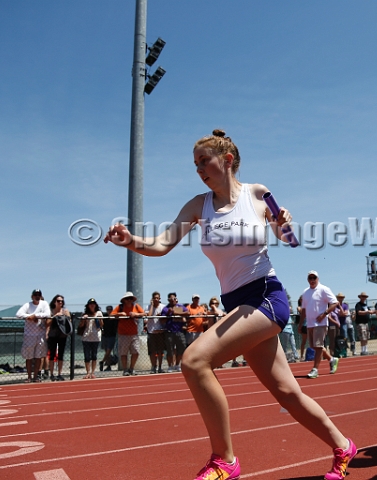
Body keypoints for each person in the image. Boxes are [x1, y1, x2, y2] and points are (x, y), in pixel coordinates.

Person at [104, 129, 355, 480]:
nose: (199, 169)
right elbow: (161, 244)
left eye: (204, 161)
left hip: (267, 297)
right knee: (287, 392)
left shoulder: (257, 193)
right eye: (195, 164)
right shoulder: (198, 205)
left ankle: (224, 460)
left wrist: (285, 222)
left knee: (194, 361)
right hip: (237, 304)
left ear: (227, 160)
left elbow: (289, 238)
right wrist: (131, 240)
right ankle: (344, 446)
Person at [302, 271, 341, 378]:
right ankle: (332, 359)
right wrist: (301, 324)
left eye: (314, 278)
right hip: (310, 324)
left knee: (318, 346)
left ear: (318, 278)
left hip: (320, 323)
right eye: (310, 278)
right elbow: (303, 309)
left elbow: (335, 302)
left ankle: (315, 369)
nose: (312, 280)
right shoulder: (305, 292)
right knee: (314, 346)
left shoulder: (324, 289)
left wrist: (324, 314)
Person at [16, 289, 50, 383]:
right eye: (36, 295)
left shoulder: (44, 303)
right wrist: (29, 317)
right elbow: (18, 314)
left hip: (40, 334)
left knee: (39, 356)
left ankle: (36, 376)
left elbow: (48, 314)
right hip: (29, 335)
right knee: (29, 357)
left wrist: (36, 316)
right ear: (32, 296)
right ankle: (29, 376)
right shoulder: (27, 305)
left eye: (39, 295)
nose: (37, 296)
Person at [112, 292, 145, 376]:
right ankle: (125, 369)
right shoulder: (120, 307)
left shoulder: (136, 306)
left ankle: (132, 368)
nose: (129, 300)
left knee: (136, 352)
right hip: (123, 334)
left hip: (134, 333)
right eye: (127, 299)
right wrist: (120, 314)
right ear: (124, 300)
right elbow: (111, 314)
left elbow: (144, 313)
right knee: (124, 353)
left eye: (131, 298)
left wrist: (136, 314)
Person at [47, 294, 72, 381]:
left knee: (61, 354)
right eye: (58, 301)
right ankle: (51, 374)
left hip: (62, 335)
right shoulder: (51, 311)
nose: (60, 302)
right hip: (53, 335)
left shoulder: (65, 311)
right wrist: (55, 316)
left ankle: (60, 373)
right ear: (54, 302)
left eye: (61, 301)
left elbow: (69, 322)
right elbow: (47, 323)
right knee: (52, 354)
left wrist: (66, 316)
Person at [162, 292, 188, 372]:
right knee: (170, 350)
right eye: (171, 299)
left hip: (179, 331)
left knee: (181, 347)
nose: (173, 300)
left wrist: (176, 313)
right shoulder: (166, 308)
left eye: (174, 298)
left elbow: (188, 313)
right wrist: (169, 313)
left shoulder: (180, 307)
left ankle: (177, 364)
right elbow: (162, 320)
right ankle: (170, 366)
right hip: (170, 331)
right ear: (168, 300)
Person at [80, 298, 103, 379]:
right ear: (88, 305)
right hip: (86, 337)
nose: (92, 305)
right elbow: (81, 325)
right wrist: (84, 319)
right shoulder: (85, 313)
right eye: (90, 304)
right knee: (87, 356)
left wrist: (100, 318)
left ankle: (93, 372)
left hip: (96, 337)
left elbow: (101, 325)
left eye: (93, 303)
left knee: (94, 355)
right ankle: (87, 372)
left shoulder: (99, 313)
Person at [145, 291, 167, 374]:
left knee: (160, 351)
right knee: (152, 351)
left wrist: (160, 316)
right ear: (152, 299)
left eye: (158, 298)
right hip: (151, 332)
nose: (156, 299)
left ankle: (160, 367)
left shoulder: (163, 307)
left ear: (160, 299)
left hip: (160, 332)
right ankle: (153, 366)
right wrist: (152, 306)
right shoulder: (148, 307)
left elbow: (165, 319)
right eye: (155, 298)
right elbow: (149, 316)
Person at [100, 305, 118, 371]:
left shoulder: (114, 317)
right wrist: (102, 330)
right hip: (105, 336)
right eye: (108, 309)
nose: (109, 311)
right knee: (107, 352)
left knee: (108, 351)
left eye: (110, 309)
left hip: (112, 336)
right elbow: (101, 324)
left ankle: (102, 361)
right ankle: (108, 365)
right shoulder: (104, 316)